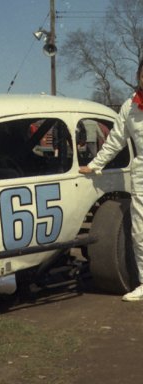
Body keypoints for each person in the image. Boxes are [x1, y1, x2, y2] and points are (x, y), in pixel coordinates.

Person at [80, 59, 143, 302]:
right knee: (140, 231)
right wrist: (95, 165)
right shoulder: (129, 106)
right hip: (141, 172)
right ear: (138, 75)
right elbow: (115, 140)